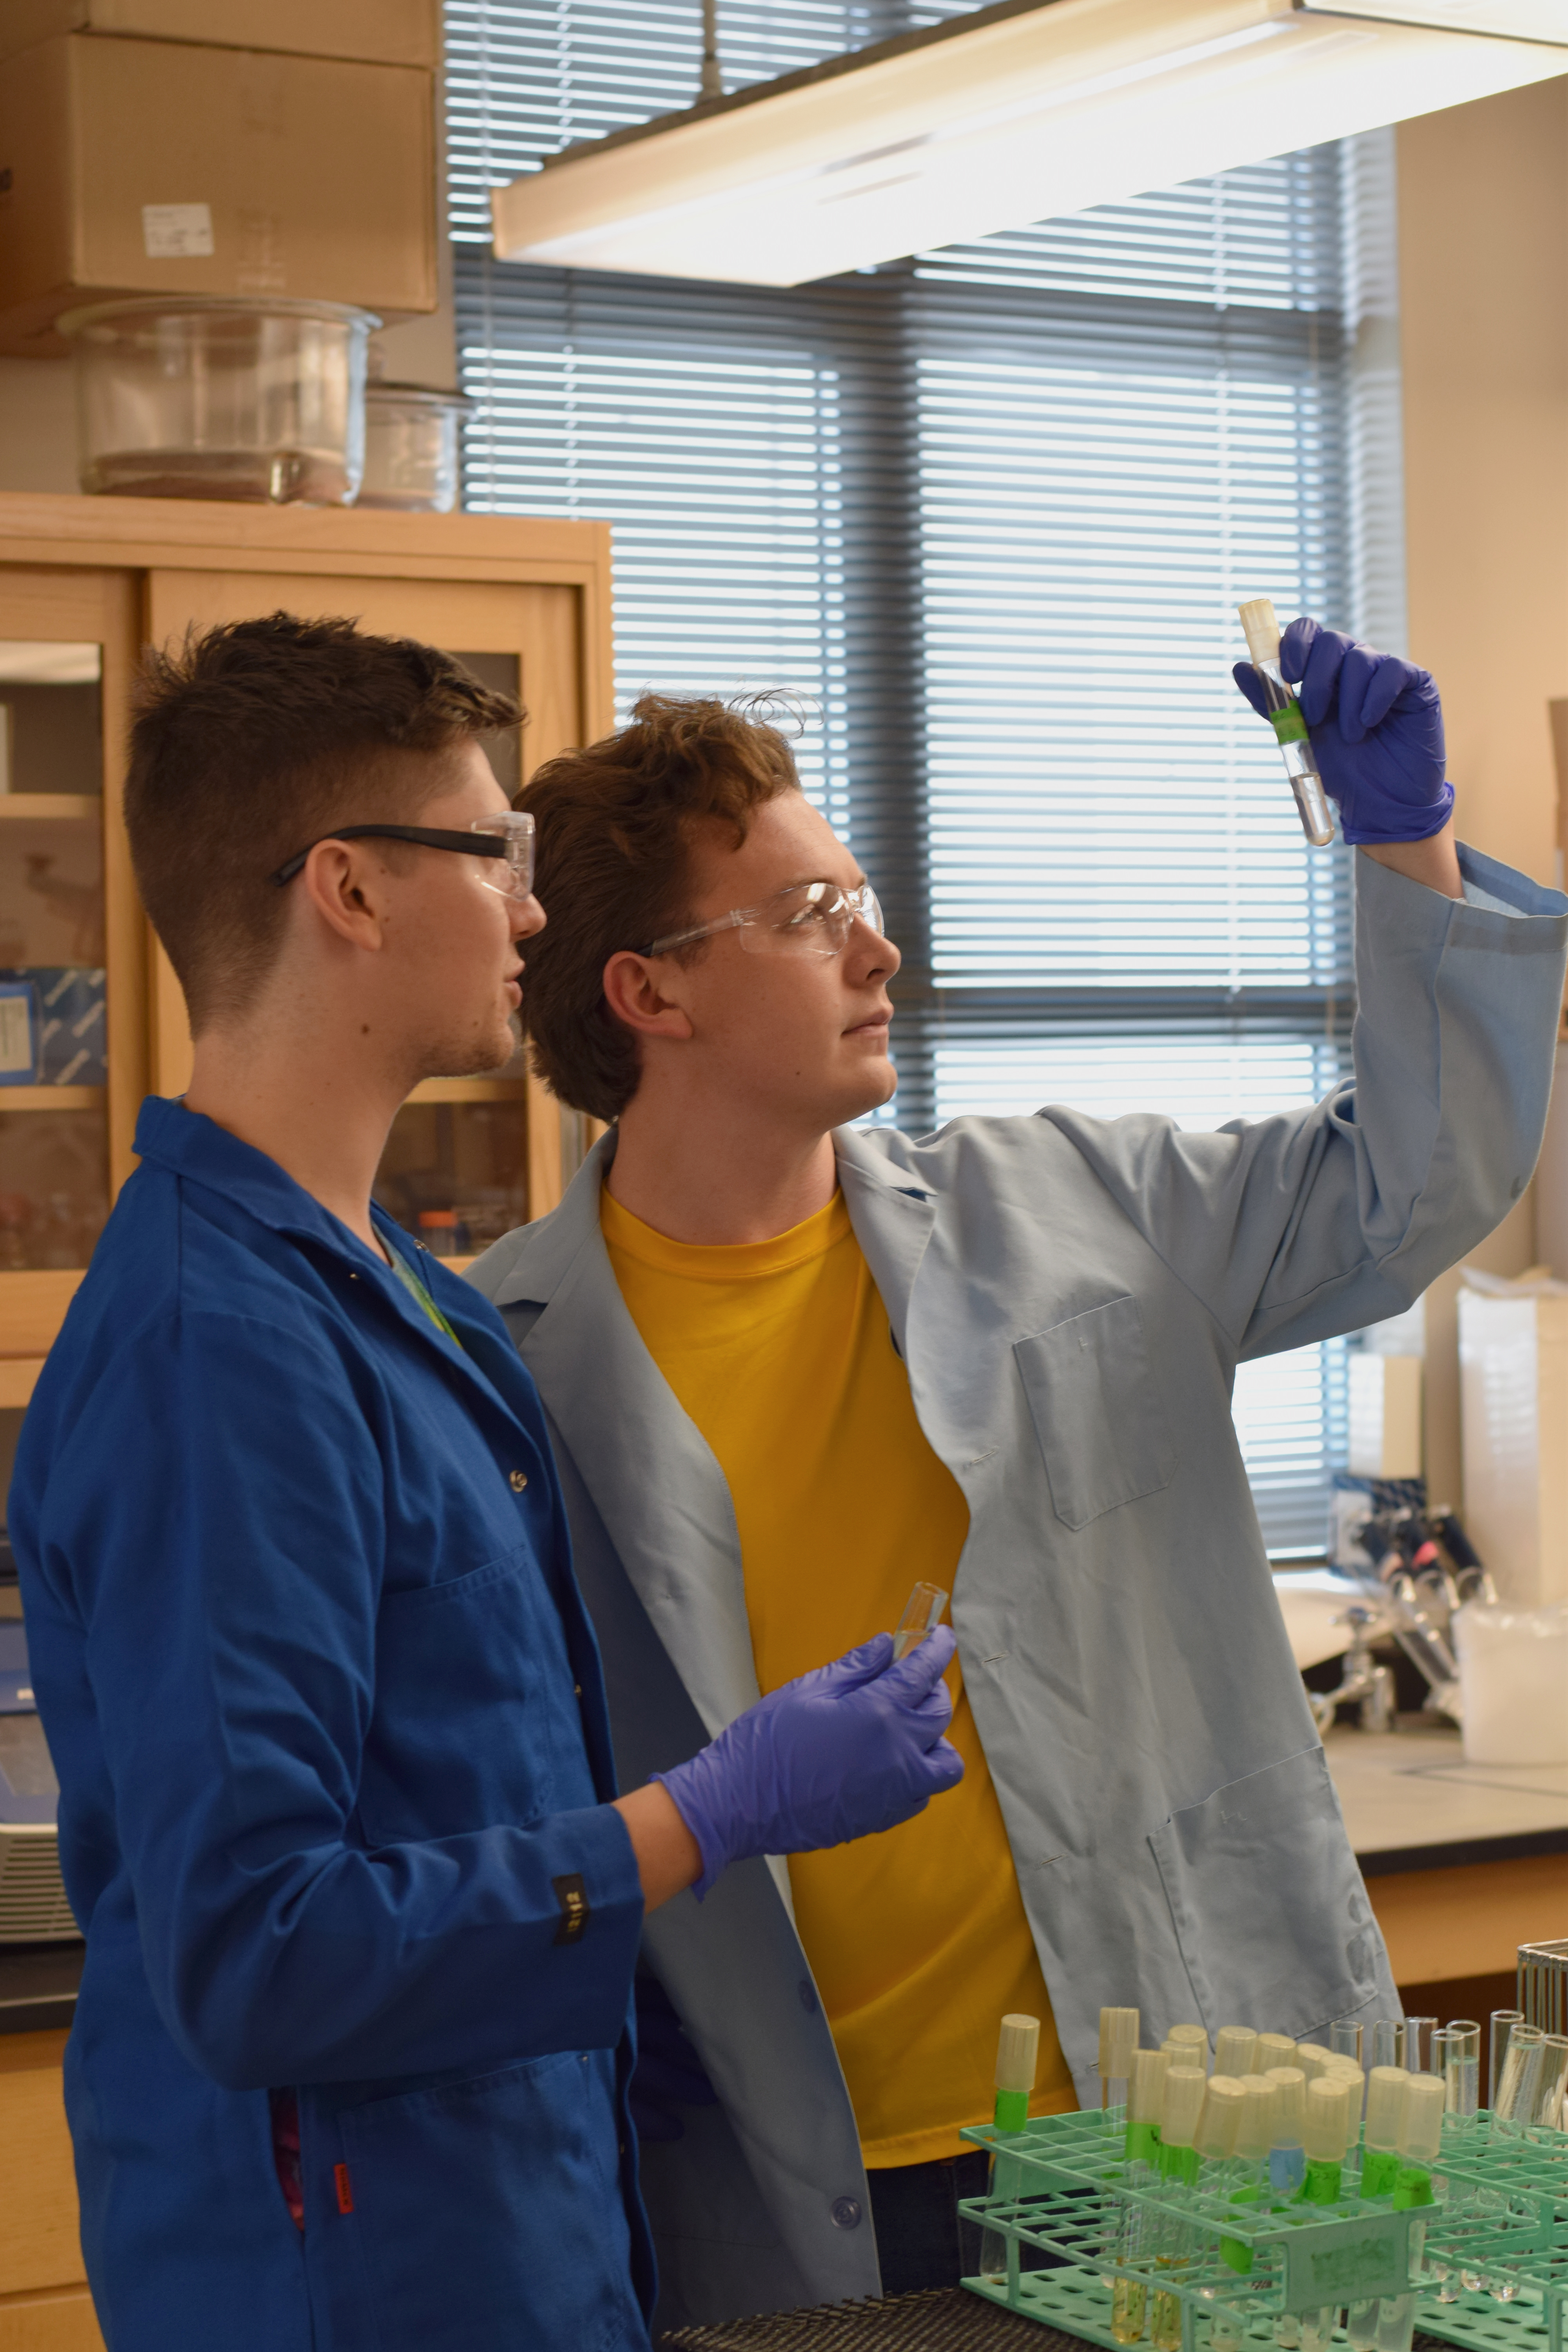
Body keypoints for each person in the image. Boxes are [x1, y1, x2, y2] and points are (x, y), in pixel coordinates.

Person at [468, 621, 1568, 2328]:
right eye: (811, 914)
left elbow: (1408, 1190)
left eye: (860, 896)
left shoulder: (1069, 1207)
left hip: (1183, 2125)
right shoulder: (496, 1370)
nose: (879, 946)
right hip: (788, 2191)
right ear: (649, 990)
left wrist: (1402, 846)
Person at [7, 614, 964, 2352]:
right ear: (350, 893)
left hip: (519, 2248)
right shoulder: (218, 1353)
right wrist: (712, 1813)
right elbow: (263, 1951)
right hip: (344, 2292)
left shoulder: (404, 1290)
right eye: (492, 856)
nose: (532, 909)